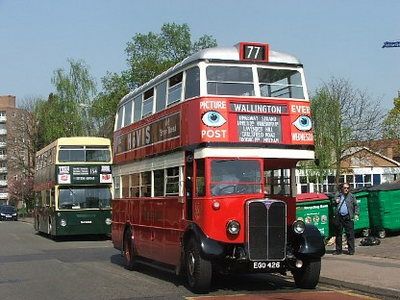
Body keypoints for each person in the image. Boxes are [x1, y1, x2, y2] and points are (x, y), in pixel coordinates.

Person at [333, 183, 359, 255]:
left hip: (348, 217)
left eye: (347, 188)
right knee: (338, 234)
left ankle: (351, 250)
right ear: (342, 188)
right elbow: (333, 202)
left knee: (350, 234)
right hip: (339, 216)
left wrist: (356, 214)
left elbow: (356, 205)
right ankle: (338, 250)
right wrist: (335, 201)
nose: (346, 189)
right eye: (345, 188)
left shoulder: (351, 196)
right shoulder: (338, 195)